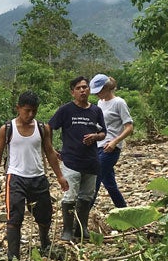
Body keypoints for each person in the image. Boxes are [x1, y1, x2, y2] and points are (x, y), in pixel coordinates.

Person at [0, 90, 69, 261]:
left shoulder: (42, 128)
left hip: (38, 176)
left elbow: (49, 152)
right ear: (18, 108)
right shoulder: (7, 129)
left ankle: (45, 243)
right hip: (15, 177)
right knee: (14, 217)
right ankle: (13, 257)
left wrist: (60, 176)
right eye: (27, 110)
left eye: (34, 110)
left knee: (44, 214)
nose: (30, 114)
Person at [48, 76, 106, 241]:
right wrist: (51, 148)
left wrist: (95, 136)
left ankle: (82, 228)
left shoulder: (96, 111)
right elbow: (49, 127)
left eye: (85, 87)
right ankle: (67, 230)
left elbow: (103, 133)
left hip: (91, 161)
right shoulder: (66, 110)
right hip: (71, 161)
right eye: (79, 88)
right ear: (72, 92)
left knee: (87, 197)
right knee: (70, 196)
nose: (83, 90)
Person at [91, 74, 133, 208]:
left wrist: (115, 141)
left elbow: (129, 127)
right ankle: (125, 212)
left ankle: (81, 217)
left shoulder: (119, 102)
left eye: (99, 91)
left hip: (111, 149)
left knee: (94, 178)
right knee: (109, 184)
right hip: (98, 146)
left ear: (107, 88)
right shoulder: (100, 103)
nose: (97, 94)